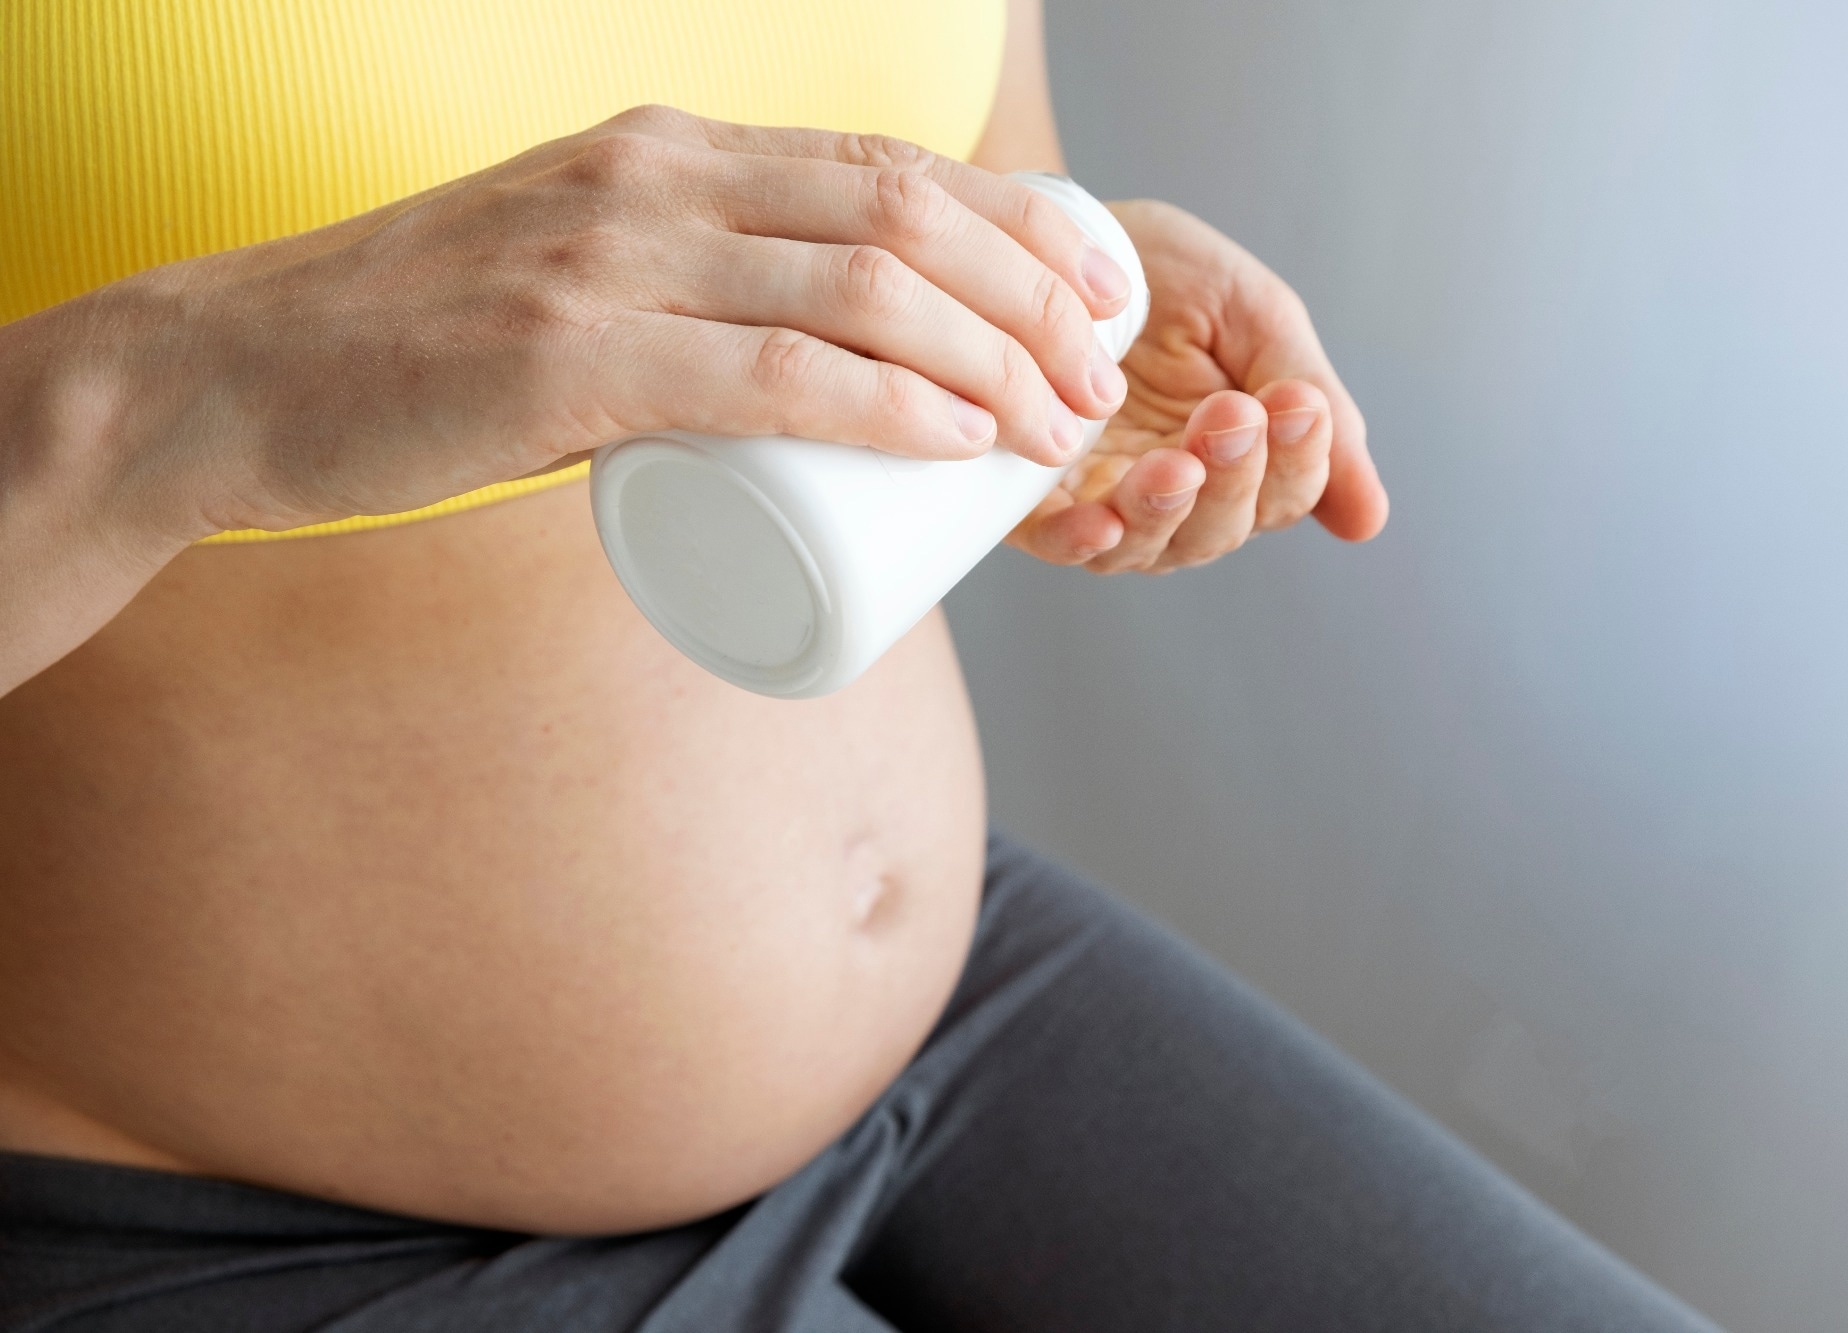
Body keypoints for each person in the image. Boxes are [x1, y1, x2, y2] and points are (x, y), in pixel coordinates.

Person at [0, 1, 1722, 1328]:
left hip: (961, 1007)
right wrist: (178, 395)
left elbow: (979, 136)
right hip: (231, 1211)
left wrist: (1040, 339)